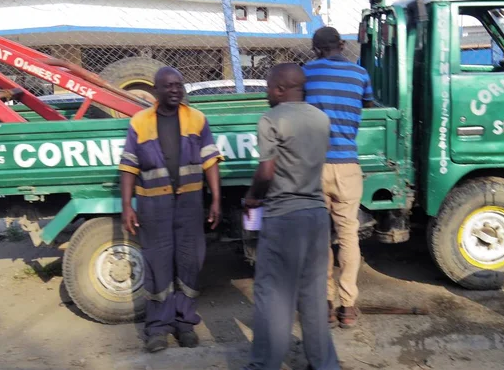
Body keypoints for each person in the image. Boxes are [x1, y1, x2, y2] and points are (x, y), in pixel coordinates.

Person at [119, 67, 223, 352]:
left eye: (179, 85)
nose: (175, 90)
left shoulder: (197, 119)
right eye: (169, 86)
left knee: (190, 264)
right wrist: (127, 205)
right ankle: (157, 329)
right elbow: (128, 166)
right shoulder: (140, 122)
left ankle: (185, 323)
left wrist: (215, 199)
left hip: (189, 205)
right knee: (158, 267)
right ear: (156, 90)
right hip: (154, 207)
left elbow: (210, 161)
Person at [243, 63, 340, 370]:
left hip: (284, 216)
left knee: (273, 295)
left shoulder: (272, 119)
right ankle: (324, 364)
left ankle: (263, 365)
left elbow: (267, 171)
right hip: (316, 216)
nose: (266, 93)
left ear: (281, 89)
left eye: (269, 87)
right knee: (313, 295)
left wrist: (252, 197)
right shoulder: (321, 119)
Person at [303, 26, 374, 329]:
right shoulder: (360, 74)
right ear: (342, 45)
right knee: (348, 236)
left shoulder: (306, 73)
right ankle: (348, 307)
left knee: (319, 238)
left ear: (315, 48)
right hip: (347, 165)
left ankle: (326, 304)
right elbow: (367, 105)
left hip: (314, 164)